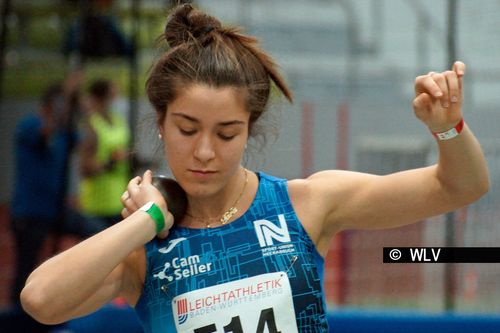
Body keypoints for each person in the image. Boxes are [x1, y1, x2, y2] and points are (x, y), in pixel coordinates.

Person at [20, 4, 489, 332]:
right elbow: (40, 301)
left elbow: (460, 186)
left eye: (226, 133)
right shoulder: (145, 249)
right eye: (187, 129)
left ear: (250, 129)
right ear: (160, 123)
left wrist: (449, 129)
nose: (205, 151)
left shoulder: (306, 205)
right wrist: (148, 220)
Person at [9, 73, 107, 331]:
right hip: (30, 212)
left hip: (57, 211)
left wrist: (86, 113)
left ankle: (74, 301)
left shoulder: (65, 133)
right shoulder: (30, 126)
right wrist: (66, 92)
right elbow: (46, 129)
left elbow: (92, 141)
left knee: (98, 232)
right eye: (59, 107)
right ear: (48, 107)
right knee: (24, 270)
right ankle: (19, 322)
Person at [79, 79, 131, 227]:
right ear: (102, 98)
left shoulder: (118, 120)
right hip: (96, 207)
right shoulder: (91, 124)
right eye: (113, 95)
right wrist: (111, 162)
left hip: (119, 202)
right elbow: (84, 168)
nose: (117, 99)